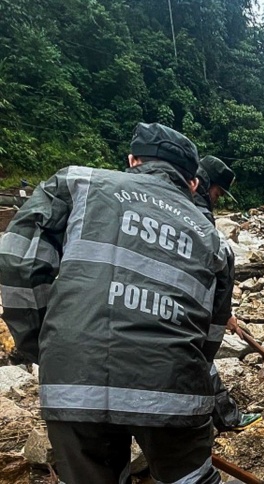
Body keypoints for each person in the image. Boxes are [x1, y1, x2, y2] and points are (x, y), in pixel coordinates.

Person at [0, 123, 233, 484]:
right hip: (173, 387)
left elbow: (19, 261)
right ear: (193, 183)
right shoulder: (212, 238)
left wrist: (48, 342)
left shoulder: (78, 183)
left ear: (132, 160)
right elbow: (210, 335)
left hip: (75, 378)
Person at [193, 155, 261, 432]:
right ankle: (226, 417)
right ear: (204, 183)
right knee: (200, 359)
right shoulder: (196, 211)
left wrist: (226, 315)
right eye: (218, 193)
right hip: (191, 307)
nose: (217, 199)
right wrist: (220, 316)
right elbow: (218, 270)